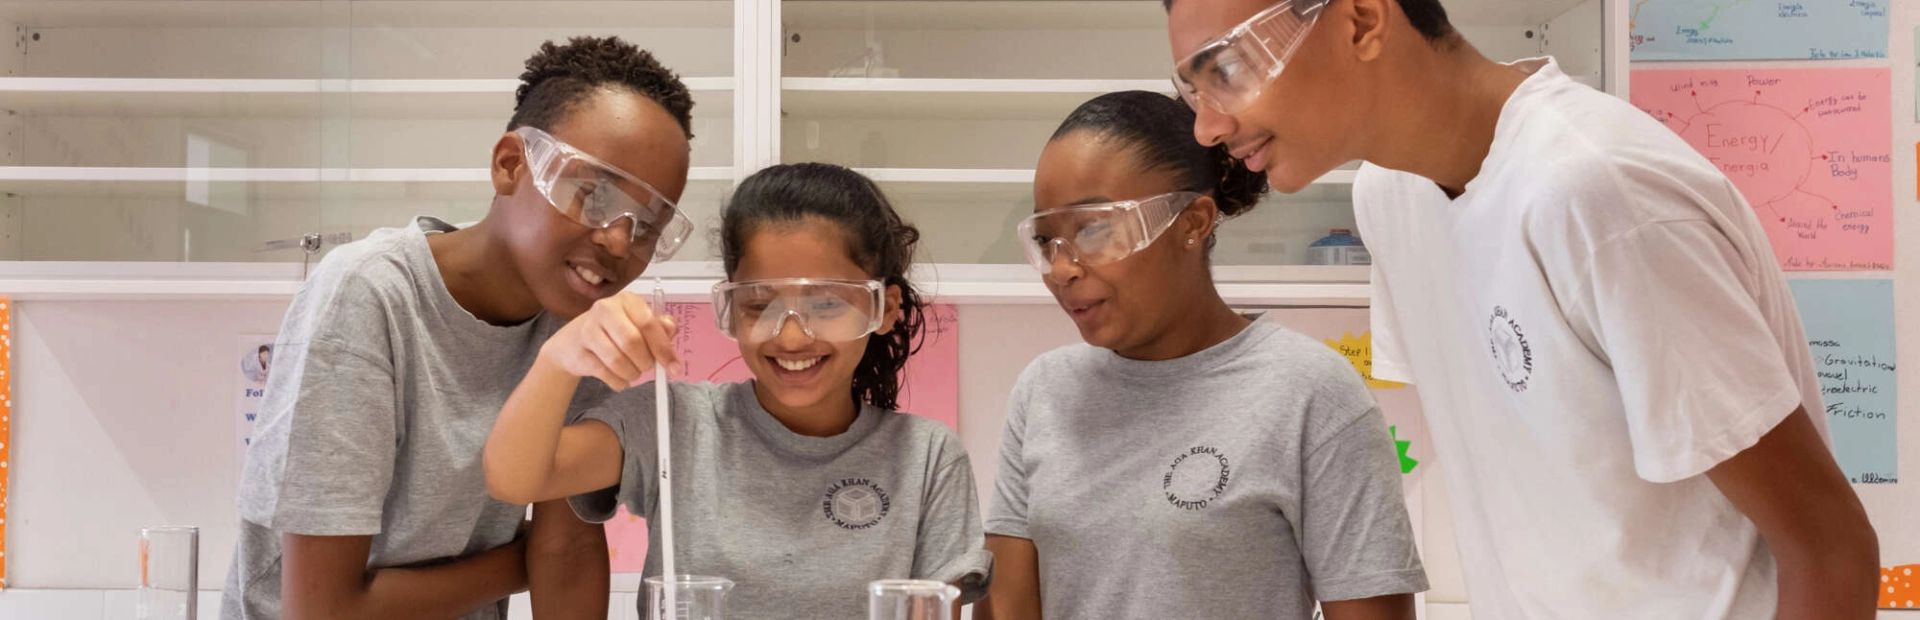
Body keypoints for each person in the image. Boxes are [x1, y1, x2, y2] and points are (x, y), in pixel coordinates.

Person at [1162, 0, 1880, 618]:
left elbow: (1830, 547)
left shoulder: (1598, 192)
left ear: (1360, 19)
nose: (1207, 127)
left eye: (1225, 70)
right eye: (1192, 90)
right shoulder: (1389, 194)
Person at [223, 36, 697, 620]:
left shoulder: (575, 327)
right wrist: (519, 561)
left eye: (648, 223)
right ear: (510, 166)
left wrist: (540, 557)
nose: (620, 241)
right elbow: (323, 610)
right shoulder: (370, 295)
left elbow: (567, 548)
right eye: (592, 193)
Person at [980, 90, 1426, 620]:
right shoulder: (1045, 390)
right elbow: (1006, 609)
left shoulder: (1310, 391)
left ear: (1192, 222)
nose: (1062, 268)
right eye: (1047, 239)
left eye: (1094, 229)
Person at [484, 162, 993, 620]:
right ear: (729, 307)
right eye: (759, 305)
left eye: (827, 304)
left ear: (883, 309)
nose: (792, 335)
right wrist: (559, 358)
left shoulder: (927, 457)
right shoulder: (675, 422)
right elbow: (515, 478)